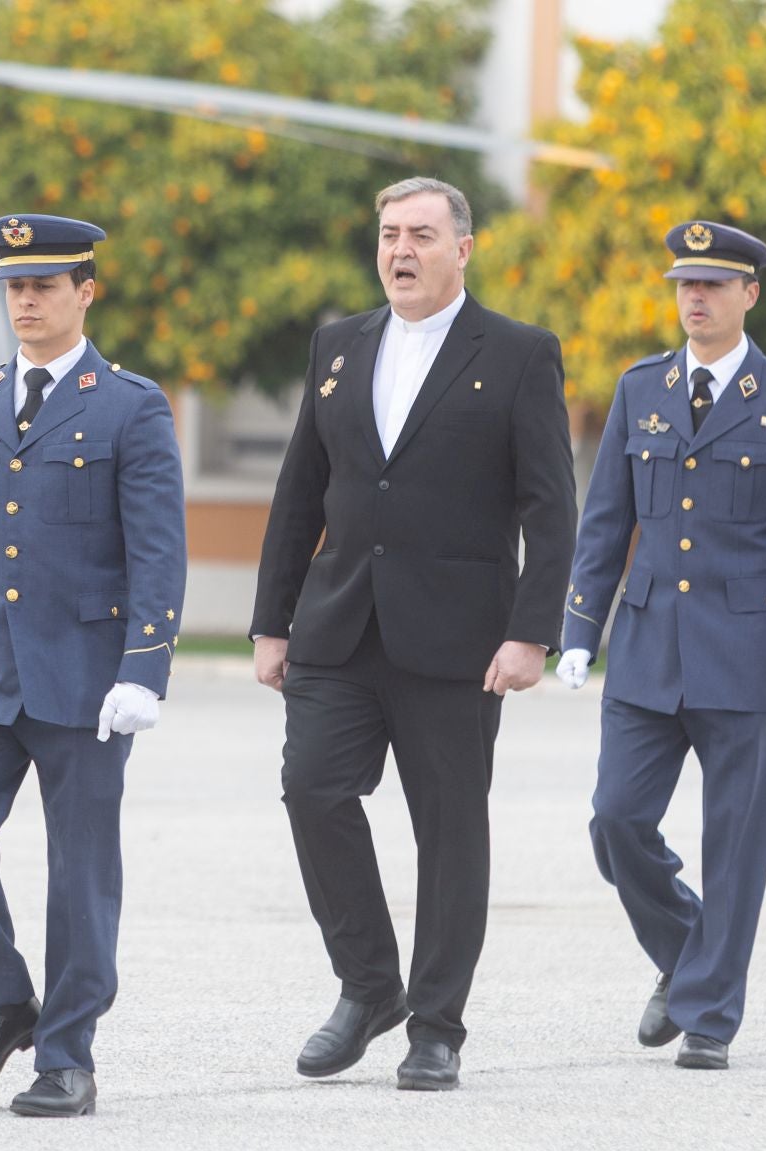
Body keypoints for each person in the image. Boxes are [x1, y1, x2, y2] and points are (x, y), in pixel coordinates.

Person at [251, 176, 575, 1092]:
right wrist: (271, 622)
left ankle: (436, 1025)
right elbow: (298, 493)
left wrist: (531, 634)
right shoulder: (340, 345)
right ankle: (368, 986)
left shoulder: (518, 354)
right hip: (339, 625)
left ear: (462, 249)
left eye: (422, 235)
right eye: (390, 233)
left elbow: (551, 509)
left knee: (449, 833)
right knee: (311, 789)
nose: (401, 250)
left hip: (459, 640)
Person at [0, 213, 186, 1119]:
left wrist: (144, 668)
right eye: (14, 285)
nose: (25, 299)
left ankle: (67, 1054)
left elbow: (157, 550)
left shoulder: (130, 405)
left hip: (86, 675)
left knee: (80, 871)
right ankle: (0, 1003)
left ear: (85, 293)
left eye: (45, 285)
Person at [556, 221, 766, 1070]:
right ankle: (687, 955)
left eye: (714, 284)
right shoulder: (642, 388)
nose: (695, 297)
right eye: (685, 283)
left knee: (737, 842)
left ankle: (711, 1012)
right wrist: (579, 627)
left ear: (749, 295)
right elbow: (607, 520)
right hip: (648, 648)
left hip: (748, 656)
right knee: (616, 820)